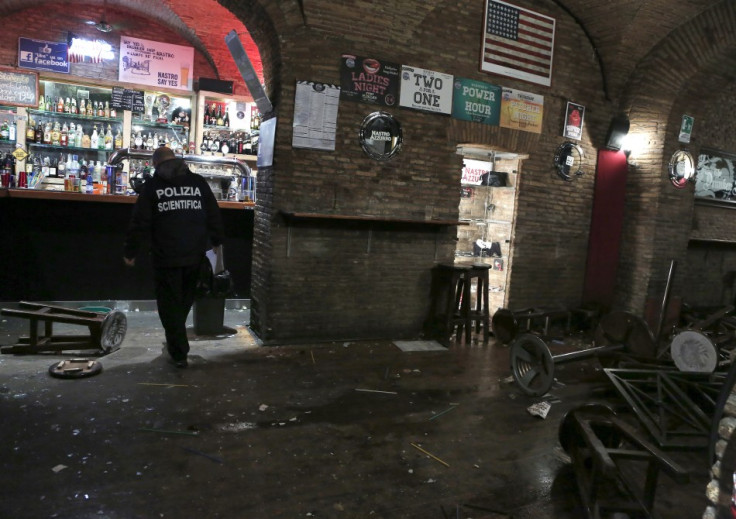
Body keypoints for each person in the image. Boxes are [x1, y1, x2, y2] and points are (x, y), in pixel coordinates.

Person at [123, 146, 224, 368]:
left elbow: (140, 222)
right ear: (178, 161)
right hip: (195, 254)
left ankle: (178, 353)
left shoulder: (152, 187)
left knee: (169, 305)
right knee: (184, 301)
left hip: (165, 256)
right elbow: (213, 212)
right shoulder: (197, 182)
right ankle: (177, 342)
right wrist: (217, 240)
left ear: (154, 164)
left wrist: (131, 251)